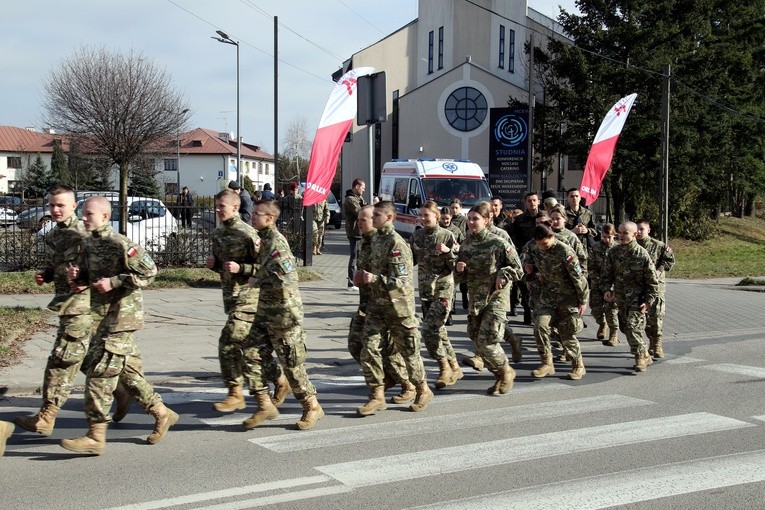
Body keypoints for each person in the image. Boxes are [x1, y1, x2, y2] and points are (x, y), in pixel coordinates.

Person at [62, 196, 179, 455]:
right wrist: (77, 276)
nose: (83, 218)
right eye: (82, 213)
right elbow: (88, 275)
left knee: (101, 372)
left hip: (122, 318)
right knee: (113, 367)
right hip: (99, 316)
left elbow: (149, 272)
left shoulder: (120, 244)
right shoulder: (89, 243)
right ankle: (160, 411)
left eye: (89, 214)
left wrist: (115, 282)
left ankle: (95, 436)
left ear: (105, 217)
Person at [15, 185, 131, 436]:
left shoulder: (83, 233)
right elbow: (61, 263)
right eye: (52, 205)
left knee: (61, 359)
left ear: (74, 207)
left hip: (81, 305)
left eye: (61, 205)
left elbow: (98, 267)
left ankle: (47, 416)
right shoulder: (57, 234)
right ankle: (121, 391)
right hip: (66, 303)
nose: (55, 210)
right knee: (84, 360)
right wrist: (47, 274)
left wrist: (90, 282)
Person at [239, 199, 324, 431]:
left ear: (271, 218)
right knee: (251, 352)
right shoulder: (263, 240)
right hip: (266, 311)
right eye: (253, 213)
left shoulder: (277, 242)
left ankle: (311, 405)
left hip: (284, 315)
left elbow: (288, 277)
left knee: (292, 363)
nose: (253, 216)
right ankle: (276, 386)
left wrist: (259, 281)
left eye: (258, 214)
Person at [205, 189, 288, 414]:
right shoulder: (217, 234)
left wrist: (241, 268)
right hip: (231, 298)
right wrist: (214, 265)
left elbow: (264, 266)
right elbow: (223, 267)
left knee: (228, 341)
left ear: (235, 207)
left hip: (249, 298)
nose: (218, 210)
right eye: (216, 206)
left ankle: (235, 393)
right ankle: (279, 379)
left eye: (222, 206)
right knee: (250, 349)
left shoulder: (249, 234)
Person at [357, 201, 433, 415]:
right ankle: (377, 395)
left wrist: (374, 279)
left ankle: (422, 389)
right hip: (377, 307)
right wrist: (361, 278)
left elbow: (402, 281)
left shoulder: (396, 243)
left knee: (409, 353)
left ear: (389, 217)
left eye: (377, 215)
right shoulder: (375, 241)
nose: (373, 219)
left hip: (398, 309)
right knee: (368, 348)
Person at [455, 202, 523, 396]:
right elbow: (460, 277)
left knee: (487, 341)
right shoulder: (466, 244)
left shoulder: (498, 242)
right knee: (477, 339)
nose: (471, 222)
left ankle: (506, 372)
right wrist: (459, 270)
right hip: (476, 299)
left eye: (475, 219)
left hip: (496, 298)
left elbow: (517, 269)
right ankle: (500, 376)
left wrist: (503, 273)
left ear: (486, 220)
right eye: (469, 219)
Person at [349, 205, 411, 402]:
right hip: (369, 302)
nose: (359, 223)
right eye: (358, 219)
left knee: (386, 348)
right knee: (357, 344)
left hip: (390, 304)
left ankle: (406, 383)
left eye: (364, 219)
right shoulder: (365, 243)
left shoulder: (386, 242)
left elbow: (400, 281)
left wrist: (372, 279)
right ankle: (385, 378)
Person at [409, 201, 462, 388]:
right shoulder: (416, 237)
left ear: (436, 216)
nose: (423, 219)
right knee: (439, 330)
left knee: (429, 330)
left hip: (443, 290)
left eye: (427, 215)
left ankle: (444, 367)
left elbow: (456, 267)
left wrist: (448, 253)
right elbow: (411, 262)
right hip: (425, 291)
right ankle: (455, 366)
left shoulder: (447, 236)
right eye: (421, 215)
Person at [526, 225, 589, 380]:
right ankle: (547, 363)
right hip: (547, 296)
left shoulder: (565, 252)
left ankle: (578, 366)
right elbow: (530, 267)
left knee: (567, 333)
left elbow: (578, 278)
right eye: (540, 245)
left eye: (546, 244)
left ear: (552, 237)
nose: (543, 248)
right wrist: (531, 273)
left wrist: (583, 301)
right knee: (540, 327)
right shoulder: (534, 249)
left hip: (568, 298)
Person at [600, 221, 660, 373]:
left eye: (625, 233)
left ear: (634, 234)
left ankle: (640, 357)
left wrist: (648, 301)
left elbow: (652, 282)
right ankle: (645, 354)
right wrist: (607, 289)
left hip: (637, 299)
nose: (621, 236)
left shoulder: (642, 255)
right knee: (627, 328)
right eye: (619, 232)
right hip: (620, 299)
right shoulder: (613, 253)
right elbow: (607, 274)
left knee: (633, 326)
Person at [636, 219, 676, 358]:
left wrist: (659, 270)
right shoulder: (632, 246)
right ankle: (651, 341)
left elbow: (670, 260)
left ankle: (658, 344)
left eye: (642, 229)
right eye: (637, 229)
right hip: (640, 288)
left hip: (656, 287)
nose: (639, 232)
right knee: (643, 318)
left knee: (656, 316)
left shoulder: (658, 245)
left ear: (648, 230)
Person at [510, 191, 540, 324]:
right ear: (525, 203)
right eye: (529, 201)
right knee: (525, 286)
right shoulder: (519, 220)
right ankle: (527, 313)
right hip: (525, 256)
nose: (532, 203)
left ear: (538, 201)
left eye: (534, 200)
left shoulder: (545, 216)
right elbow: (514, 239)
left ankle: (538, 315)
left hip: (542, 256)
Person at [589, 223, 619, 346]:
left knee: (611, 310)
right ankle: (602, 324)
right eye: (604, 236)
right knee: (595, 309)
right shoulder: (595, 247)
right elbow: (590, 266)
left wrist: (612, 284)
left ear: (614, 236)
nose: (606, 239)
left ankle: (613, 333)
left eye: (609, 237)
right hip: (597, 283)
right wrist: (597, 279)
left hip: (612, 285)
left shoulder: (618, 249)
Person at [343, 178, 366, 291]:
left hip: (359, 231)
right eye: (362, 188)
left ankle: (358, 281)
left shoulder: (358, 198)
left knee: (359, 257)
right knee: (354, 257)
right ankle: (351, 283)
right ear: (356, 186)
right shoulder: (350, 200)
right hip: (354, 232)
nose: (363, 190)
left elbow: (365, 207)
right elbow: (360, 212)